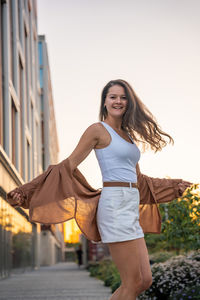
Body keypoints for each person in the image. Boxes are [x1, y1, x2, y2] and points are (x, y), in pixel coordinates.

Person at [8, 79, 192, 300]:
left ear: (129, 102)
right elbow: (66, 166)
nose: (118, 101)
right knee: (132, 282)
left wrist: (174, 186)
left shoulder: (128, 136)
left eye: (123, 97)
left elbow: (139, 180)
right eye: (113, 97)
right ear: (104, 102)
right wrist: (27, 190)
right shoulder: (97, 130)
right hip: (114, 207)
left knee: (144, 281)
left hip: (130, 205)